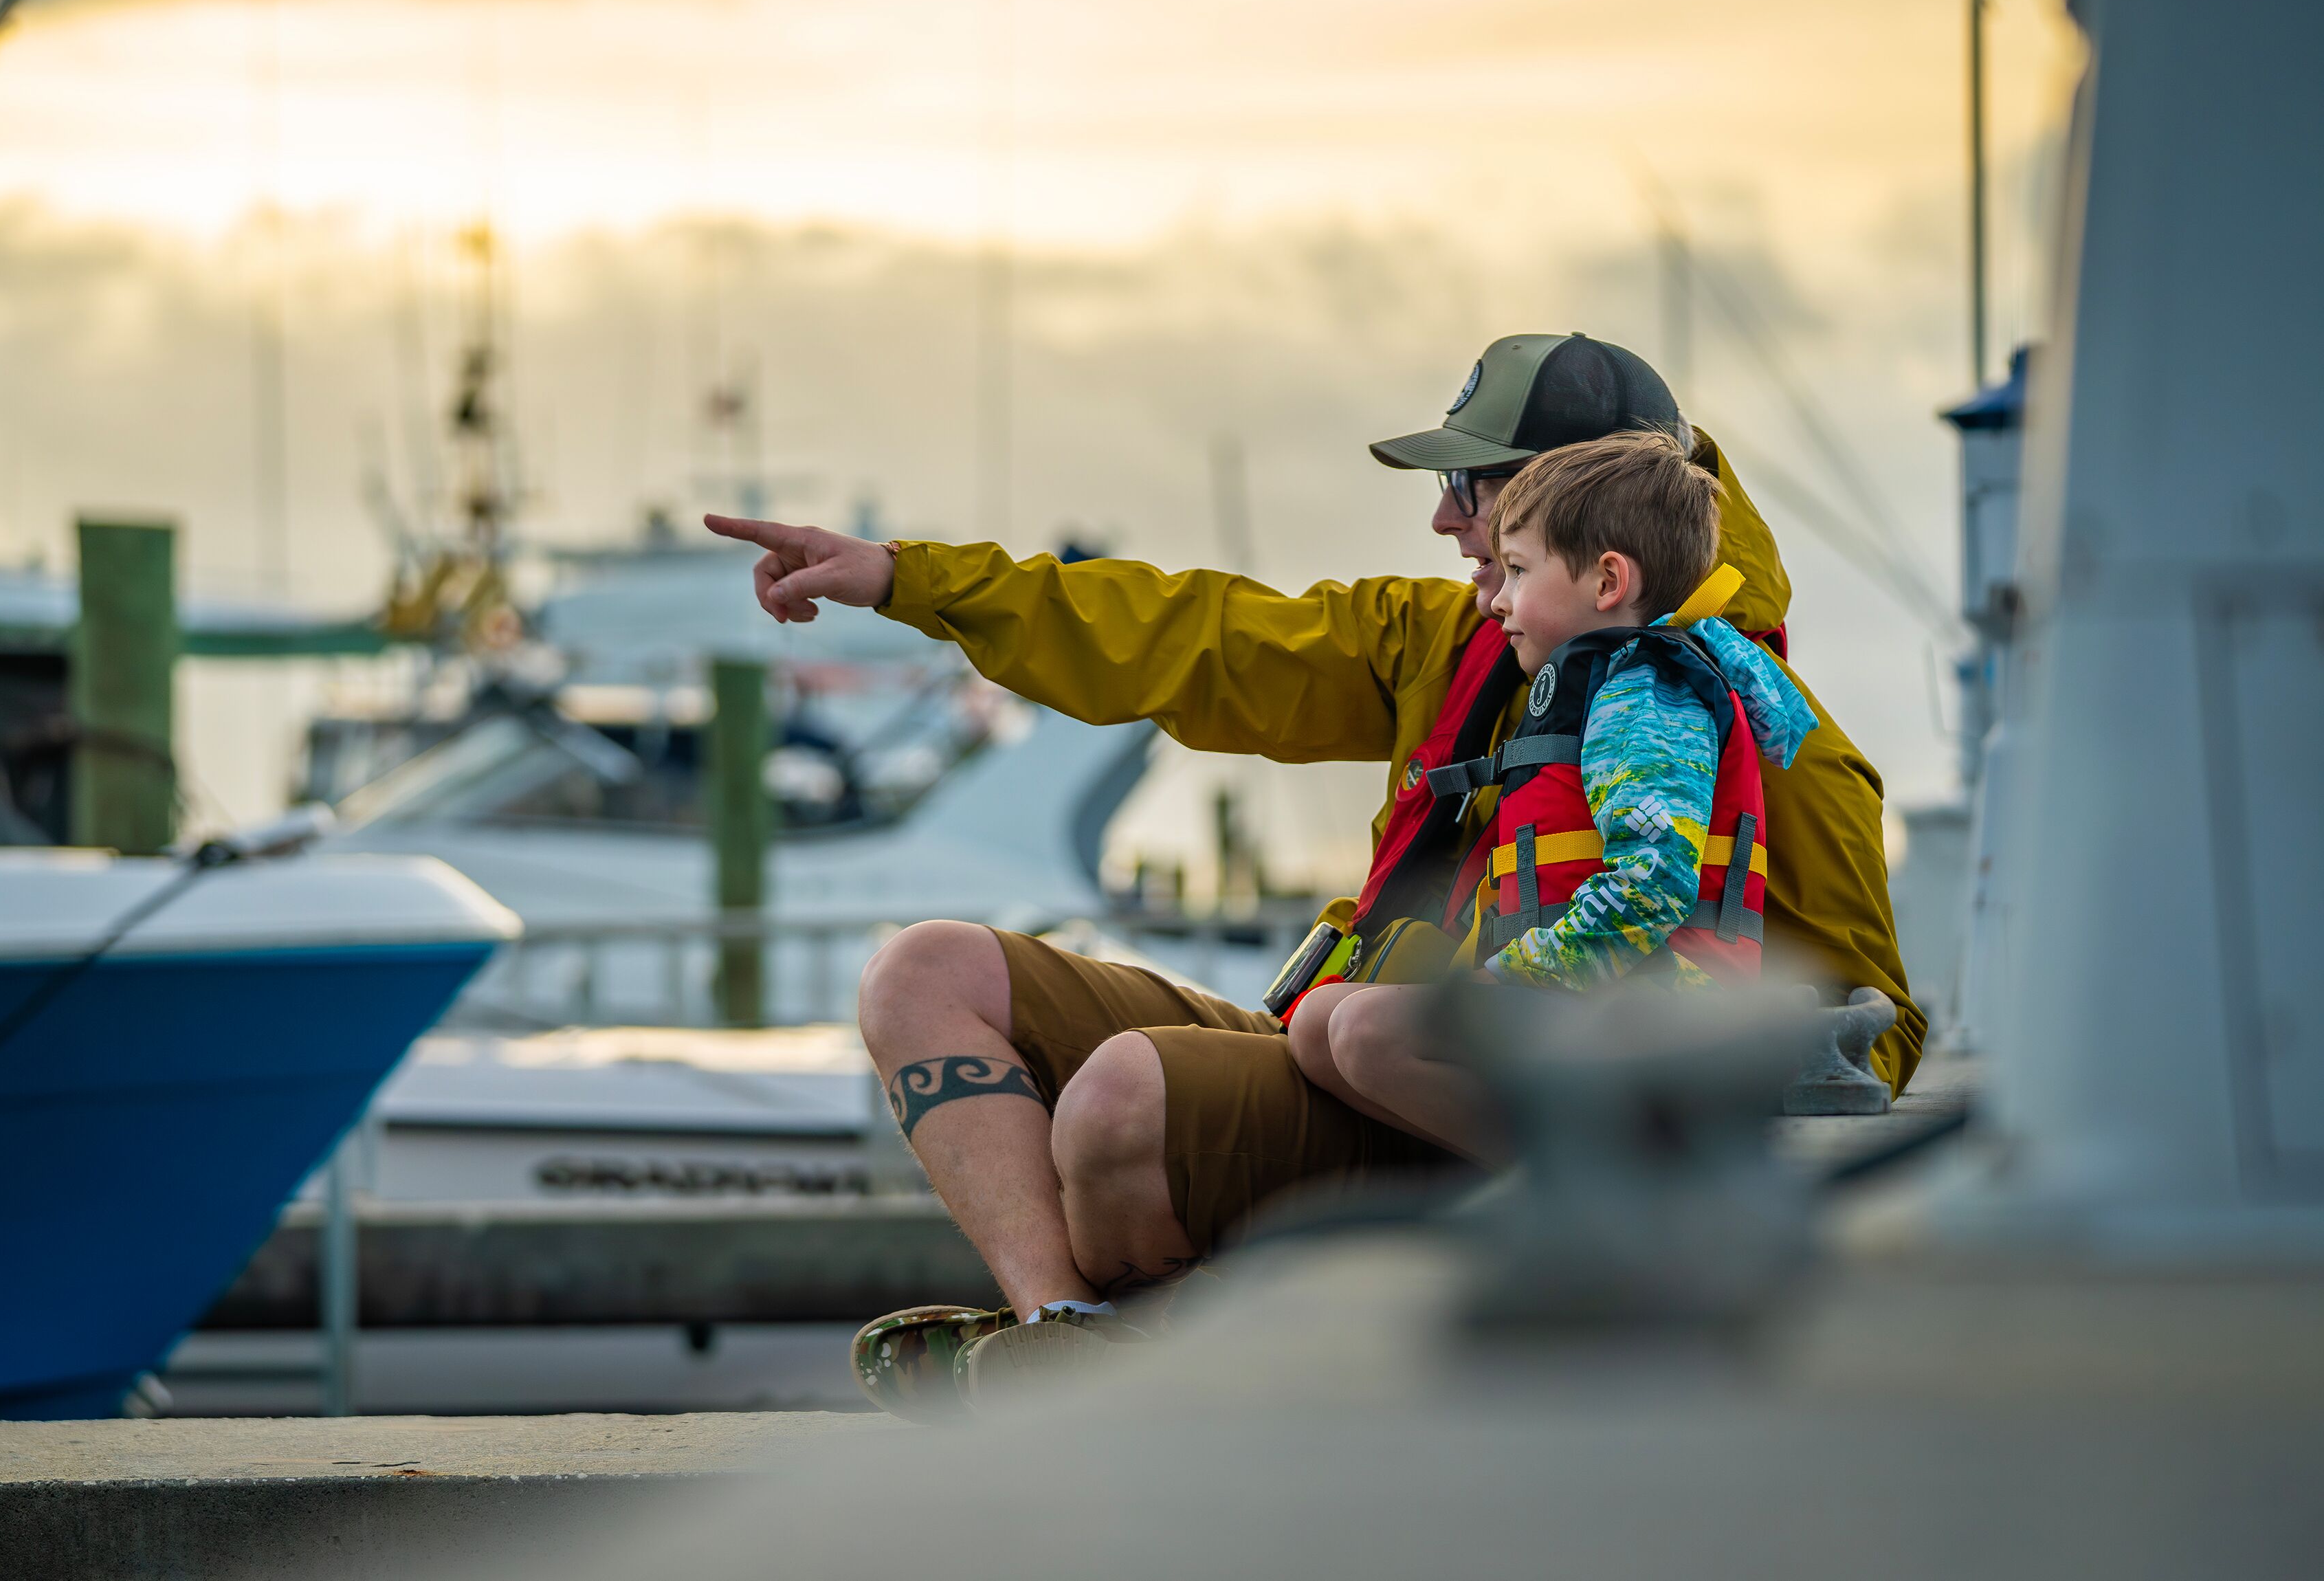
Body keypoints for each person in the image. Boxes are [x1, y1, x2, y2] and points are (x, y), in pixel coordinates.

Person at [702, 333, 1921, 1417]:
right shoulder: (1444, 638)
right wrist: (909, 580)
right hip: (1330, 1047)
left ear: (1584, 511)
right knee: (926, 972)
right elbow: (1194, 636)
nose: (1445, 521)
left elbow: (1871, 1023)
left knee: (1128, 1096)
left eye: (1471, 486)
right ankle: (1064, 1337)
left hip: (1481, 1116)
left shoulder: (1757, 723)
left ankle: (1164, 1358)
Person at [1285, 428, 1822, 1167]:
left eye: (1517, 570)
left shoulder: (1649, 702)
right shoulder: (1606, 685)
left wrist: (1504, 977)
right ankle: (1538, 1173)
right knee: (1317, 1023)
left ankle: (1595, 1188)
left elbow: (1653, 886)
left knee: (1363, 1032)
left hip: (1664, 1016)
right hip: (1598, 1002)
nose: (1497, 600)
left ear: (1606, 582)